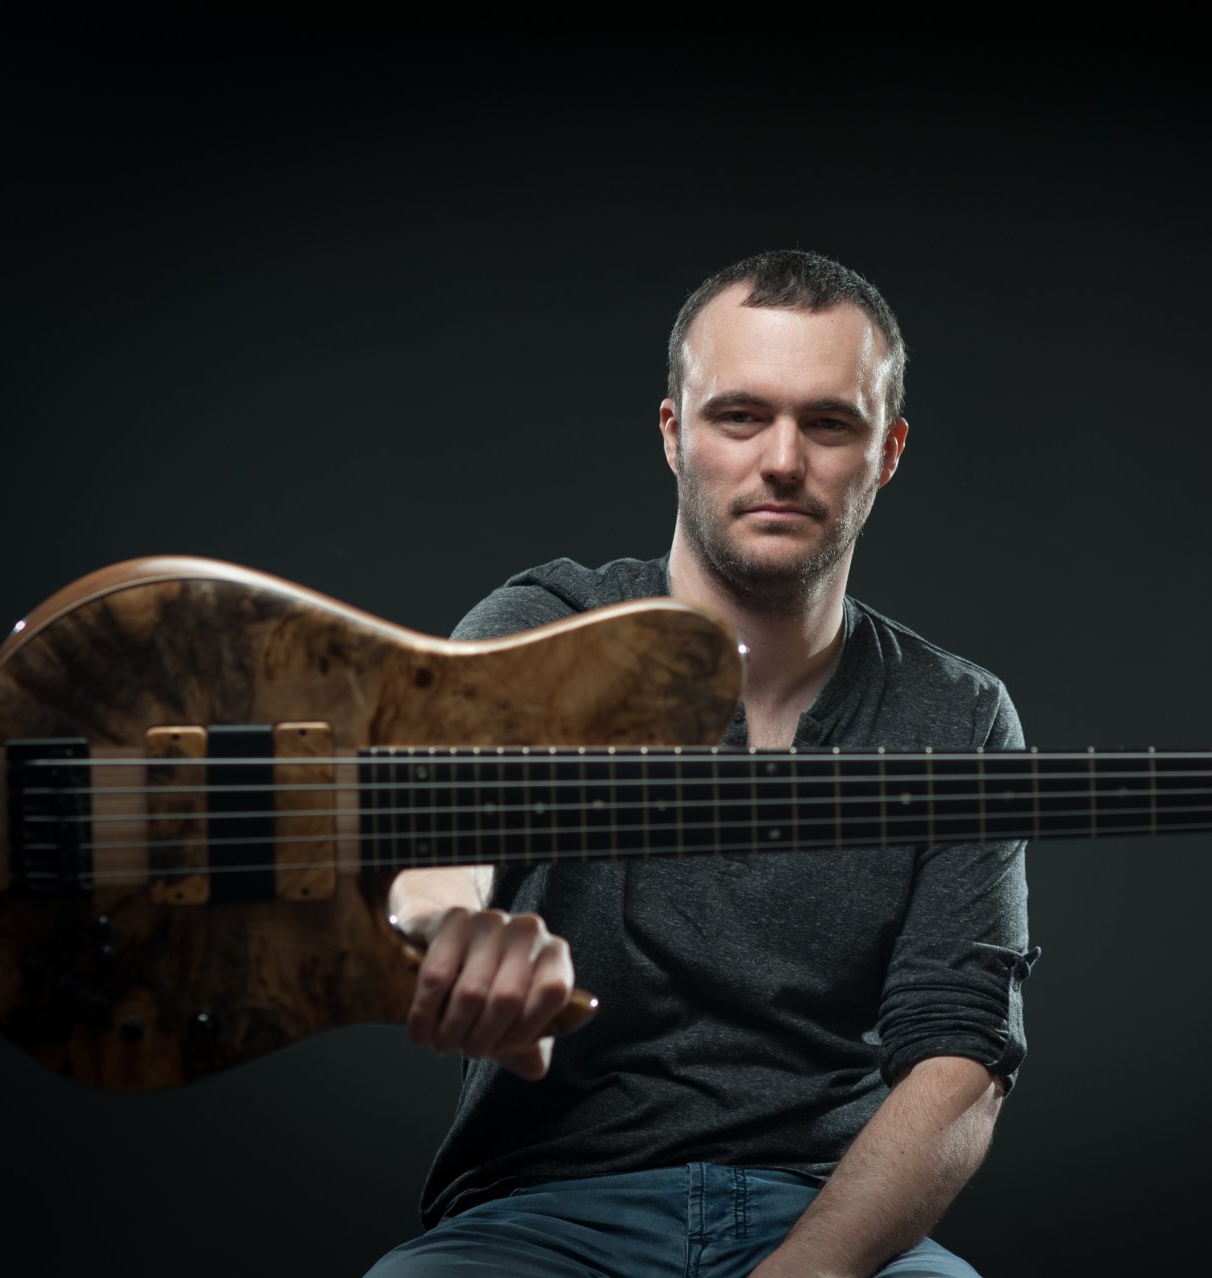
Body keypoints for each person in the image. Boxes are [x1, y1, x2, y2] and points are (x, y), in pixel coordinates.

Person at [367, 250, 1036, 1278]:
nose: (781, 460)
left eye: (827, 422)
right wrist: (447, 923)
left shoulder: (961, 713)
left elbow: (961, 1058)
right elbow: (437, 816)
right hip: (539, 1215)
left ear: (888, 450)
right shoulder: (548, 623)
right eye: (739, 416)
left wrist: (805, 1272)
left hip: (828, 1218)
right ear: (675, 433)